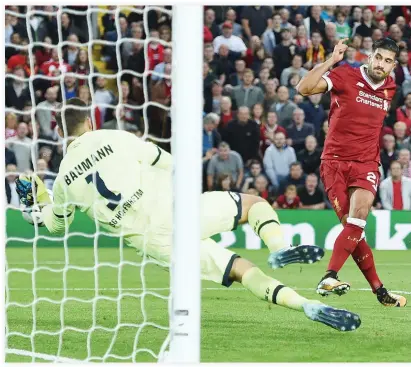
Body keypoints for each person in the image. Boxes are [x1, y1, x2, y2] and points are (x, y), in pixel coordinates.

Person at [15, 97, 361, 332]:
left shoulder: (62, 181)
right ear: (90, 121)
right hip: (177, 210)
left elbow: (57, 225)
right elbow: (164, 162)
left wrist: (36, 210)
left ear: (60, 132)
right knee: (254, 205)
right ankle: (278, 249)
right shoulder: (113, 137)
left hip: (155, 242)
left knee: (241, 271)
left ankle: (306, 307)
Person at [297, 38, 407, 307]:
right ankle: (380, 291)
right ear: (370, 56)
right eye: (378, 57)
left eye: (388, 61)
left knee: (358, 219)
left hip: (366, 164)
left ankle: (329, 276)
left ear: (393, 66)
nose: (381, 64)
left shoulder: (391, 88)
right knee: (354, 232)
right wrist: (332, 61)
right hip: (334, 163)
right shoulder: (345, 74)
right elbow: (303, 87)